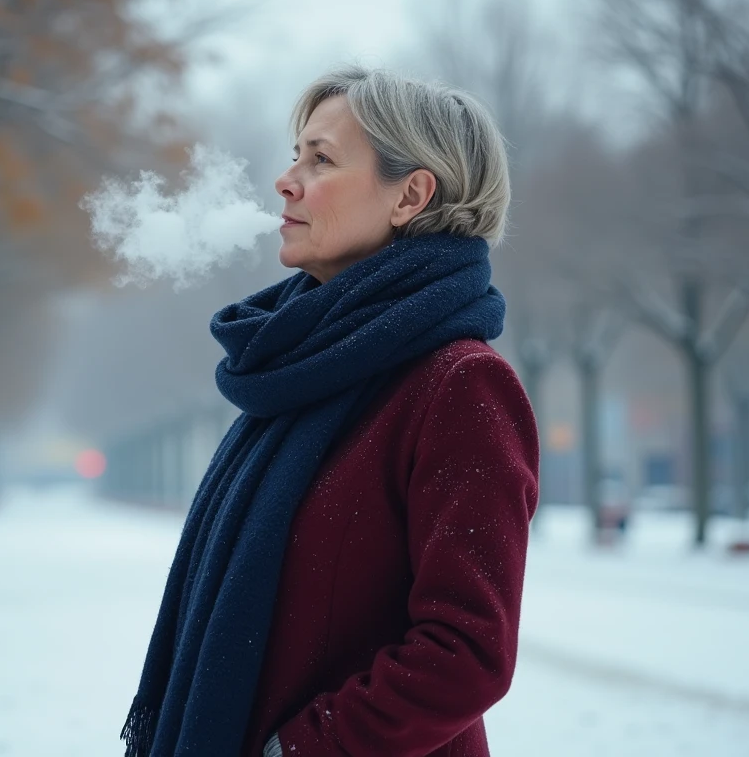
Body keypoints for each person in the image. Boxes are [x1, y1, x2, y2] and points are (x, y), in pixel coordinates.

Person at [122, 66, 540, 757]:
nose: (286, 181)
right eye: (296, 155)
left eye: (320, 159)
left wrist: (300, 749)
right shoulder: (295, 368)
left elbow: (467, 652)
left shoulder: (461, 386)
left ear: (411, 195)